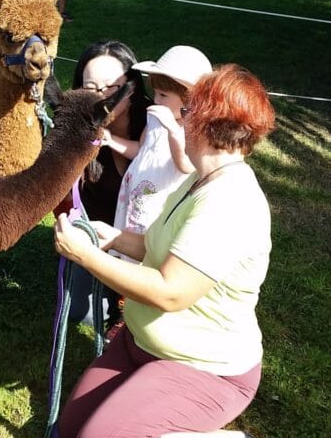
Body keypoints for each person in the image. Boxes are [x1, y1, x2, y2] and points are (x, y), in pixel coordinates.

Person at [53, 64, 276, 438]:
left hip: (204, 367)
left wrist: (87, 256)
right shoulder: (198, 178)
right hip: (141, 345)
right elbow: (158, 246)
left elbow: (170, 292)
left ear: (205, 122)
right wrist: (113, 238)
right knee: (70, 430)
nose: (177, 115)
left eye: (186, 110)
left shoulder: (229, 201)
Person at [56, 40, 151, 325]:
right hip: (100, 240)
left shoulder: (156, 124)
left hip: (149, 244)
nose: (101, 98)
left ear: (131, 87)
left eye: (111, 87)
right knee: (79, 312)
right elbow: (62, 201)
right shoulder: (79, 131)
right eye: (90, 88)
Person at [113, 45, 213, 241]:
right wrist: (111, 141)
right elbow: (141, 150)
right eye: (156, 93)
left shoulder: (192, 129)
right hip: (137, 196)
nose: (156, 100)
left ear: (189, 99)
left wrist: (173, 130)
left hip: (159, 201)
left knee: (149, 242)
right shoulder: (154, 120)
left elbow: (185, 165)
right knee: (128, 236)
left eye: (164, 95)